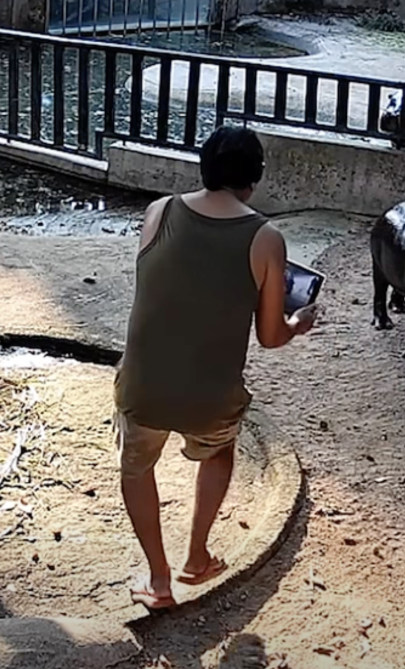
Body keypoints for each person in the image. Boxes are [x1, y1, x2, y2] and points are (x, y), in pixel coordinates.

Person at [114, 125, 319, 610]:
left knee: (136, 466)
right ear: (254, 179)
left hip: (142, 385)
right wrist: (297, 321)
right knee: (219, 450)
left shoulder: (158, 211)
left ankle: (159, 581)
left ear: (202, 167)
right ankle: (197, 555)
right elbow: (270, 337)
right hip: (211, 399)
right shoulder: (266, 237)